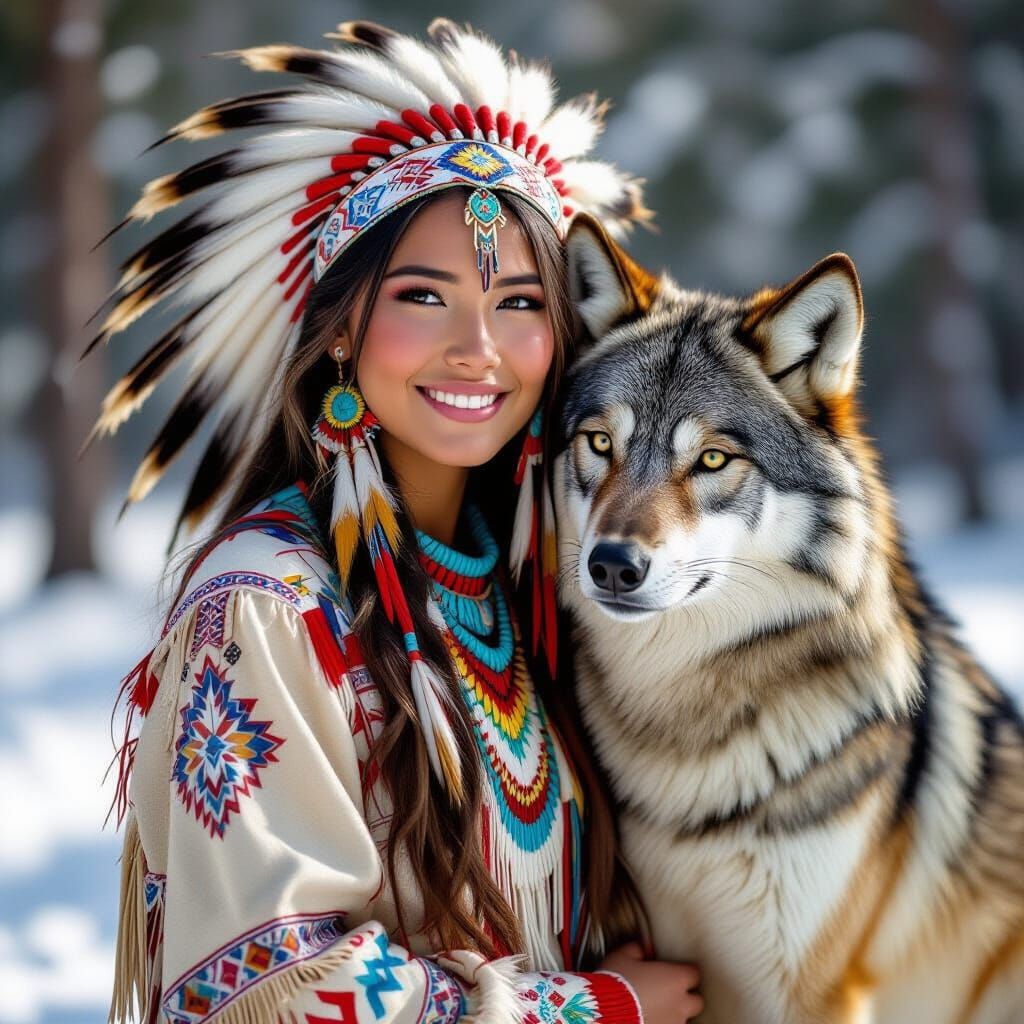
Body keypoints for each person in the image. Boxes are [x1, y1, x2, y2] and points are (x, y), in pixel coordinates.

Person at [95, 19, 703, 1023]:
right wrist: (587, 1008)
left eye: (518, 303)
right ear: (339, 330)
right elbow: (264, 985)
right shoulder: (262, 609)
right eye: (424, 295)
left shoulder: (545, 585)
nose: (479, 348)